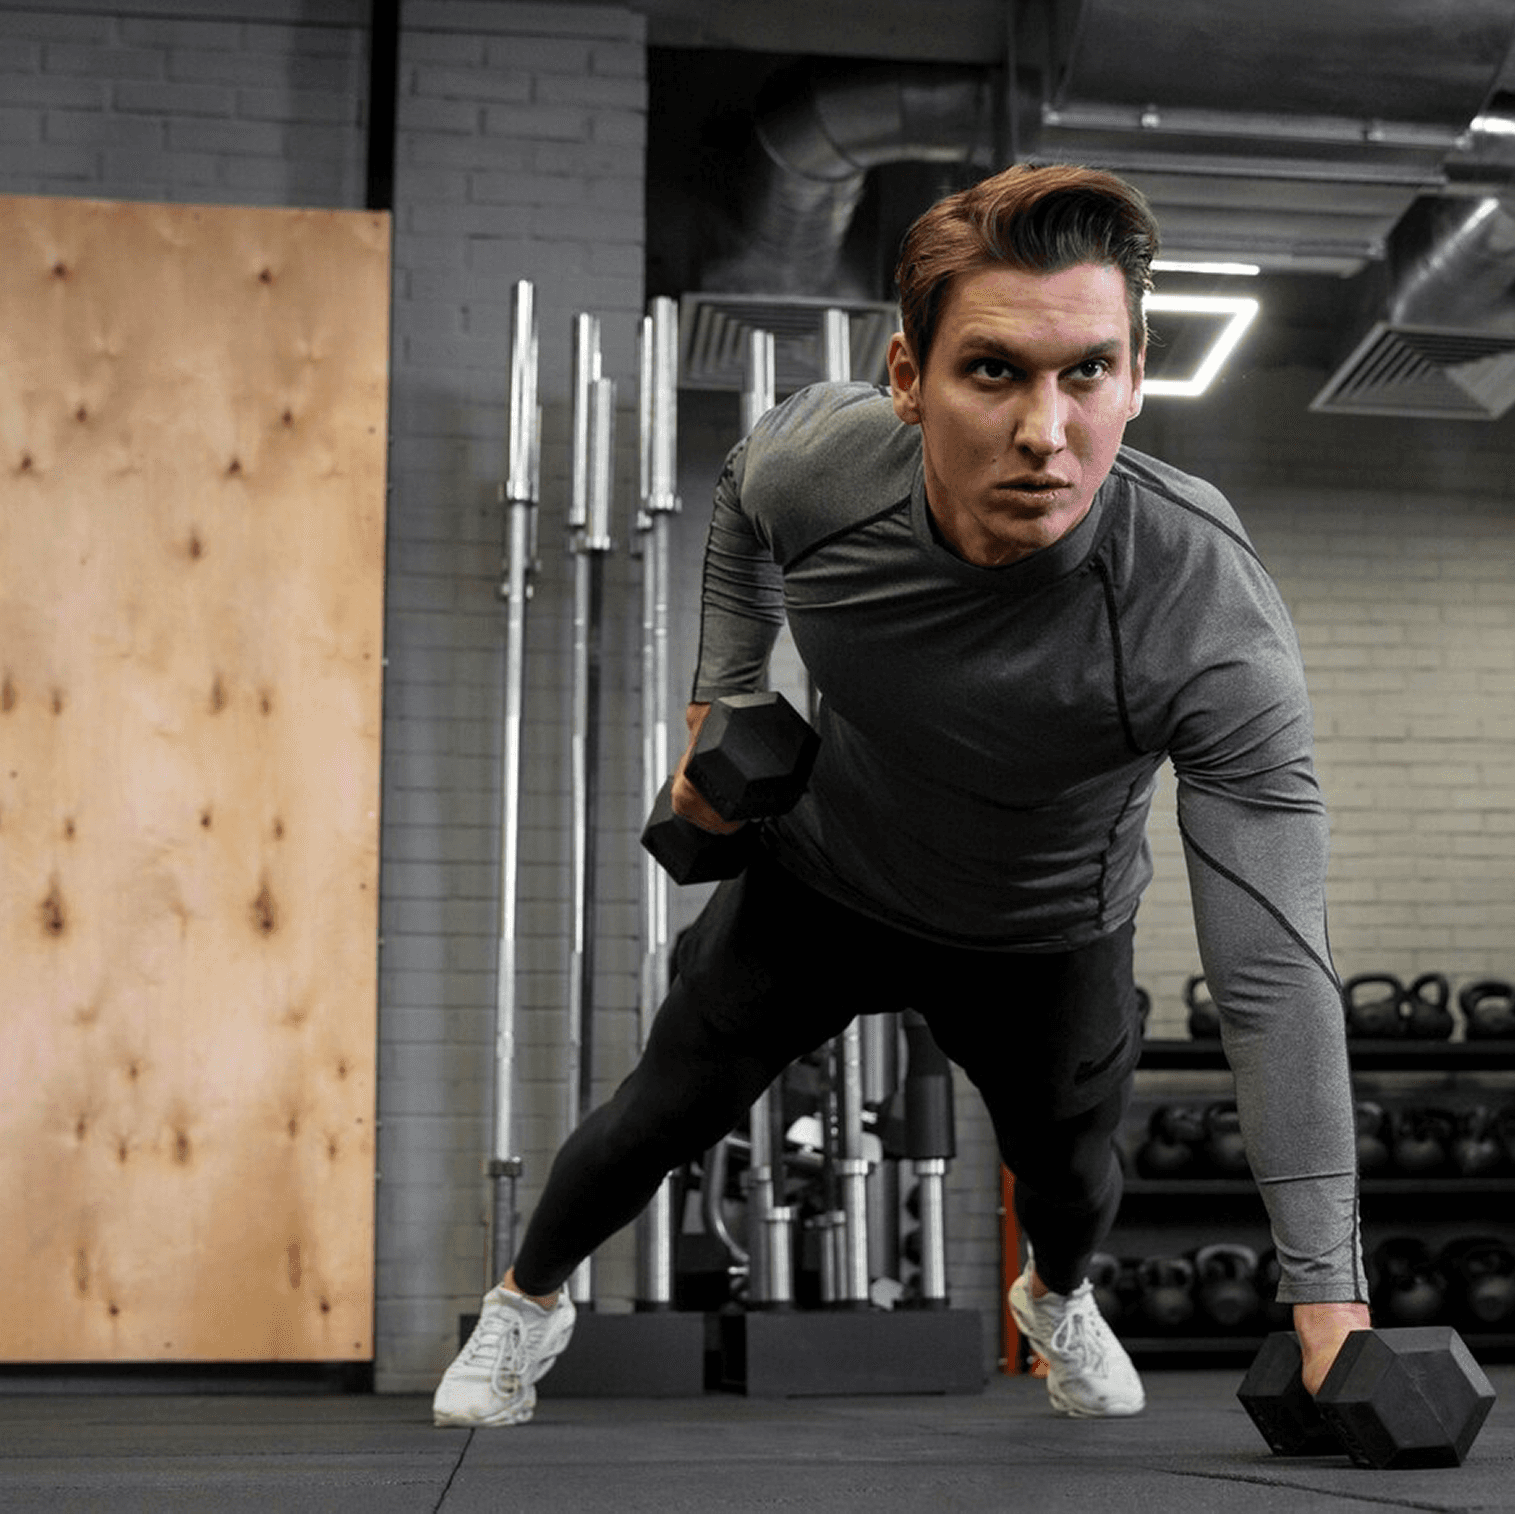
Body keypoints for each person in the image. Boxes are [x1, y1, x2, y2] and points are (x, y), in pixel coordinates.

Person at [433, 163, 1369, 1429]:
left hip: (1047, 926)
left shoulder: (1202, 611)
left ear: (1137, 376)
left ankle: (1058, 1297)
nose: (1045, 432)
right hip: (828, 876)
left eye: (1087, 372)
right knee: (661, 1107)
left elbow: (1273, 976)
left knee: (1073, 1174)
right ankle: (523, 1308)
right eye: (994, 372)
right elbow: (741, 499)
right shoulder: (825, 470)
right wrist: (723, 698)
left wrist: (1329, 1302)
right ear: (907, 378)